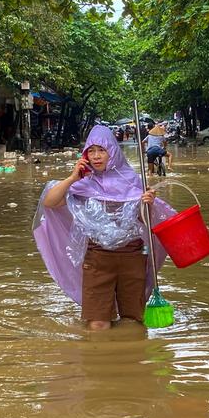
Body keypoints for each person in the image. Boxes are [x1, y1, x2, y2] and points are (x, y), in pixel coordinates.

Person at [34, 125, 175, 331]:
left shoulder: (133, 181)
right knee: (98, 324)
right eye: (91, 151)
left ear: (113, 152)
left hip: (132, 257)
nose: (96, 156)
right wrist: (74, 177)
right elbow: (50, 203)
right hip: (97, 258)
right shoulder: (84, 184)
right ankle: (98, 360)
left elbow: (144, 222)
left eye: (102, 150)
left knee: (132, 322)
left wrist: (148, 203)